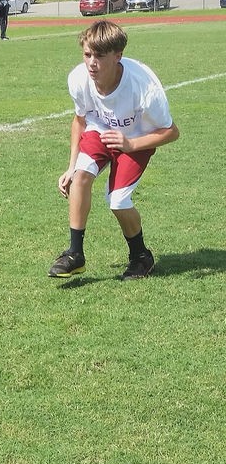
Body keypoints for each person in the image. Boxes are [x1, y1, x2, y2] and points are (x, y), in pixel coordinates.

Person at [50, 20, 179, 280]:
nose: (91, 63)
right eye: (87, 54)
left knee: (118, 201)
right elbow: (80, 121)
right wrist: (71, 166)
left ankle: (141, 256)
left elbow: (171, 132)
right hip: (100, 129)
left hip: (138, 136)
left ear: (118, 55)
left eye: (99, 56)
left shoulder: (144, 88)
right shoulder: (78, 79)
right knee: (81, 176)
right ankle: (75, 254)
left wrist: (130, 144)